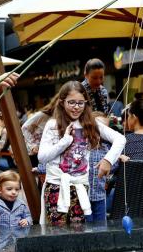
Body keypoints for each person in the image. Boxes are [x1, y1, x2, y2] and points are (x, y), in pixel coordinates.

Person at [38, 81, 125, 225]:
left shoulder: (90, 124)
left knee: (78, 234)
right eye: (71, 102)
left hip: (81, 188)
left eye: (80, 103)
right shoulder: (53, 125)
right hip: (56, 187)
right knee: (56, 234)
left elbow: (120, 139)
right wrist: (65, 141)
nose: (76, 107)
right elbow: (42, 157)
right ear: (62, 102)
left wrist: (108, 160)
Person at [22, 94, 59, 168]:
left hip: (48, 153)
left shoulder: (61, 119)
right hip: (34, 153)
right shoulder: (42, 115)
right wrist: (32, 145)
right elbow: (25, 127)